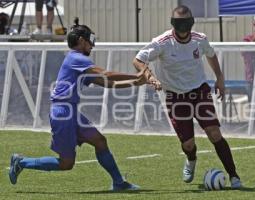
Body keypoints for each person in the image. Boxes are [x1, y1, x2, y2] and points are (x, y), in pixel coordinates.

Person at [9, 18, 145, 191]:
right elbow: (107, 74)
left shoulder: (79, 63)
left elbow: (107, 83)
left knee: (100, 141)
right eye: (91, 41)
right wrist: (136, 76)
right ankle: (21, 162)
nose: (93, 46)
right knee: (66, 163)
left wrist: (137, 82)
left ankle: (118, 183)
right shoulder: (77, 58)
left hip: (70, 111)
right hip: (62, 112)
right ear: (81, 41)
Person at [133, 5, 242, 189]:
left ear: (191, 23)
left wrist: (220, 78)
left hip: (199, 91)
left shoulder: (200, 39)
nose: (183, 28)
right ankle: (191, 159)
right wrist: (150, 77)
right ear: (173, 24)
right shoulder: (162, 42)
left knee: (214, 133)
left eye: (186, 23)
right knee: (189, 144)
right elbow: (138, 60)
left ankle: (234, 176)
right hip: (175, 96)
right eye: (179, 24)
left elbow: (211, 55)